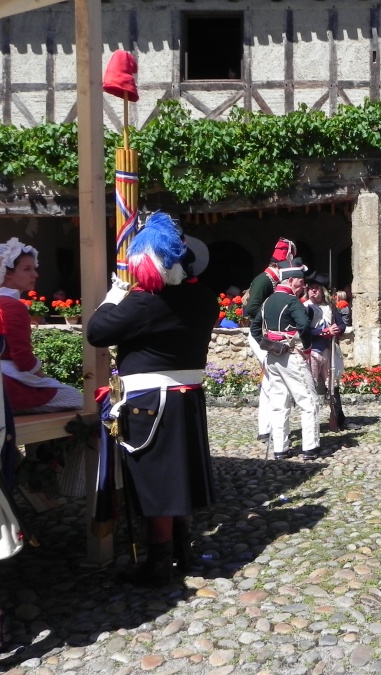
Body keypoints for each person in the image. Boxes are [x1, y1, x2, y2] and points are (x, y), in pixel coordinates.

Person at [86, 213, 218, 585]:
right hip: (184, 397)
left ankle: (159, 563)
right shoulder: (206, 298)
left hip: (151, 400)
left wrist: (115, 296)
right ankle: (182, 551)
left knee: (156, 480)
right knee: (177, 476)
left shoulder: (146, 303)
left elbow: (97, 332)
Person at [0, 237, 82, 414]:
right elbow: (23, 360)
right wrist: (47, 379)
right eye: (27, 269)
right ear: (7, 273)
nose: (35, 275)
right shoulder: (12, 306)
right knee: (76, 398)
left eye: (34, 269)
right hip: (8, 386)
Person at [250, 262, 320, 461]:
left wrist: (268, 344)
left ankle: (280, 449)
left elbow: (255, 329)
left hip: (273, 358)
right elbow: (304, 324)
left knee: (279, 402)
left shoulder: (268, 301)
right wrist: (306, 347)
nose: (303, 286)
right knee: (308, 401)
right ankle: (310, 447)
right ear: (290, 281)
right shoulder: (292, 301)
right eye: (300, 282)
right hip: (291, 356)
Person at [244, 238, 300, 449]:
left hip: (270, 336)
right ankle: (269, 428)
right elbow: (250, 309)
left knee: (270, 381)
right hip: (263, 336)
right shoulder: (265, 280)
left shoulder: (274, 281)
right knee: (273, 381)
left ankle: (267, 428)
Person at [304, 271, 355, 431]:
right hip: (312, 352)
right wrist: (322, 332)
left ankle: (339, 419)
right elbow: (303, 331)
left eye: (316, 288)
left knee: (333, 386)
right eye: (311, 288)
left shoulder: (330, 307)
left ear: (322, 291)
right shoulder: (304, 308)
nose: (313, 291)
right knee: (310, 386)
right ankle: (311, 423)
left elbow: (342, 325)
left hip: (328, 351)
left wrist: (335, 330)